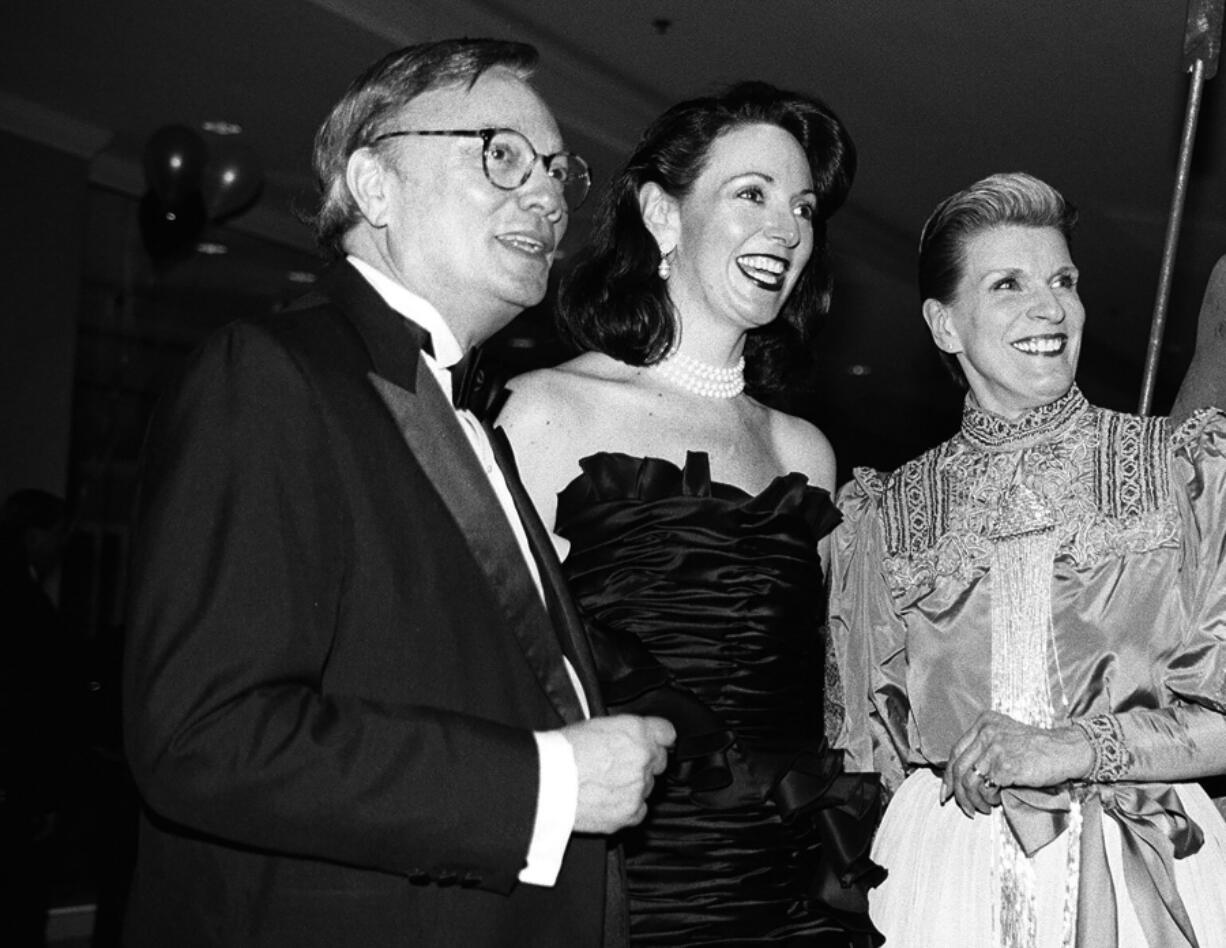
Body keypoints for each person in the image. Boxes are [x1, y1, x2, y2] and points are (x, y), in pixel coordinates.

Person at [122, 39, 674, 948]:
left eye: (557, 172)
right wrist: (545, 785)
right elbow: (203, 736)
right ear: (374, 186)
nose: (545, 197)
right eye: (499, 154)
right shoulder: (268, 373)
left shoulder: (465, 414)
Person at [501, 81, 884, 946]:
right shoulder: (543, 411)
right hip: (624, 887)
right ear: (662, 217)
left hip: (780, 887)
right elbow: (489, 674)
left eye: (804, 208)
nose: (786, 230)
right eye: (751, 194)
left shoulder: (804, 453)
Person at [828, 171, 1226, 946]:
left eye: (1064, 280)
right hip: (943, 881)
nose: (1051, 308)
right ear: (945, 326)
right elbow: (861, 762)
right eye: (1009, 284)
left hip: (1146, 867)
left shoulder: (1185, 471)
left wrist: (1072, 747)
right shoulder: (881, 517)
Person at [0, 490, 79, 947]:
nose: (63, 544)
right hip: (17, 793)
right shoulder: (28, 607)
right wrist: (43, 795)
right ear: (32, 537)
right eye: (56, 534)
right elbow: (36, 710)